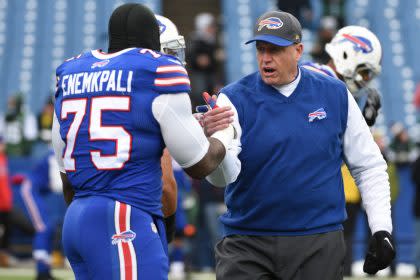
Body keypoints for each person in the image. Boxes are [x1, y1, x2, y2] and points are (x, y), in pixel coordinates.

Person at [200, 10, 395, 279]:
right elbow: (221, 178)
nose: (266, 58)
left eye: (276, 50)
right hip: (248, 243)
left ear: (298, 50)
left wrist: (381, 228)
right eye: (261, 48)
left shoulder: (334, 94)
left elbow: (369, 166)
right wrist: (213, 149)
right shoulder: (233, 99)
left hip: (317, 243)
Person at [52, 3, 234, 280]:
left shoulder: (70, 73)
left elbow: (67, 178)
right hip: (123, 217)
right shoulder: (157, 71)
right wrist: (225, 135)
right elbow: (198, 165)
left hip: (76, 221)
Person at [18, 150, 66, 280]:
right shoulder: (55, 154)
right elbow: (57, 185)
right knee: (43, 229)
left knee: (48, 228)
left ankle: (45, 270)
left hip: (36, 191)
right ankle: (41, 272)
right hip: (30, 190)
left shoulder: (58, 153)